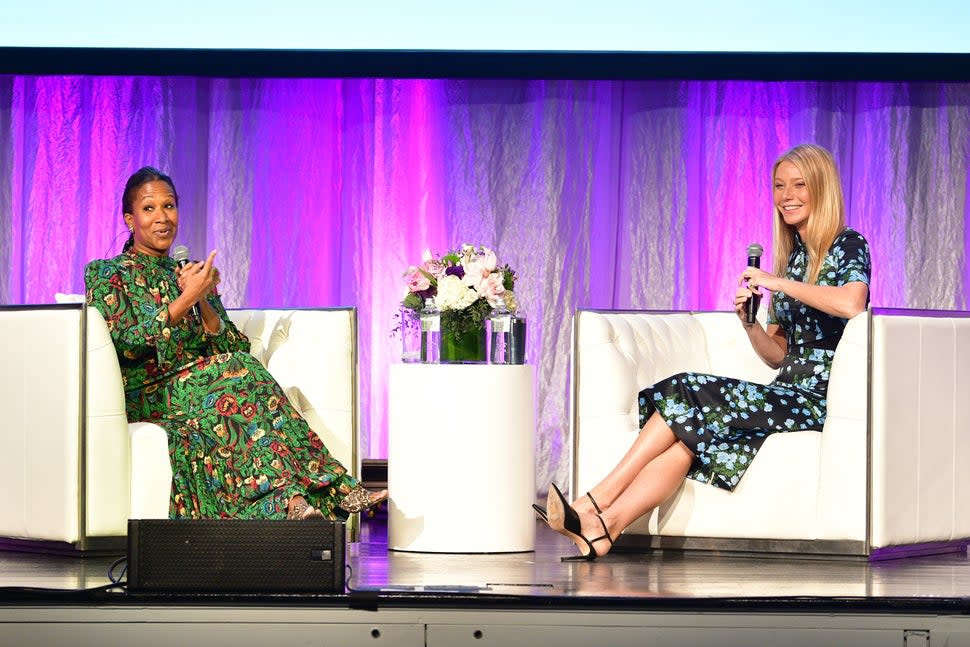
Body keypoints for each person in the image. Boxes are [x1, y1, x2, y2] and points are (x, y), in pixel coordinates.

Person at [544, 144, 871, 560]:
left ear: (821, 189)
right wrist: (750, 324)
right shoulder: (792, 261)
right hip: (787, 391)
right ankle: (604, 528)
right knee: (687, 439)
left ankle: (594, 498)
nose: (786, 194)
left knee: (686, 389)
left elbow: (852, 304)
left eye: (798, 185)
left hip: (821, 399)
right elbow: (777, 356)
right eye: (778, 185)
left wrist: (778, 283)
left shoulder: (848, 244)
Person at [85, 167, 387, 521]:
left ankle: (292, 503)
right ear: (130, 218)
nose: (162, 218)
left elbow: (232, 346)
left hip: (203, 390)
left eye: (169, 206)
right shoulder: (107, 273)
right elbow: (128, 343)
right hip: (148, 392)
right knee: (239, 373)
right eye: (149, 208)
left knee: (241, 388)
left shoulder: (190, 273)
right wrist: (186, 300)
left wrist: (202, 298)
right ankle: (339, 489)